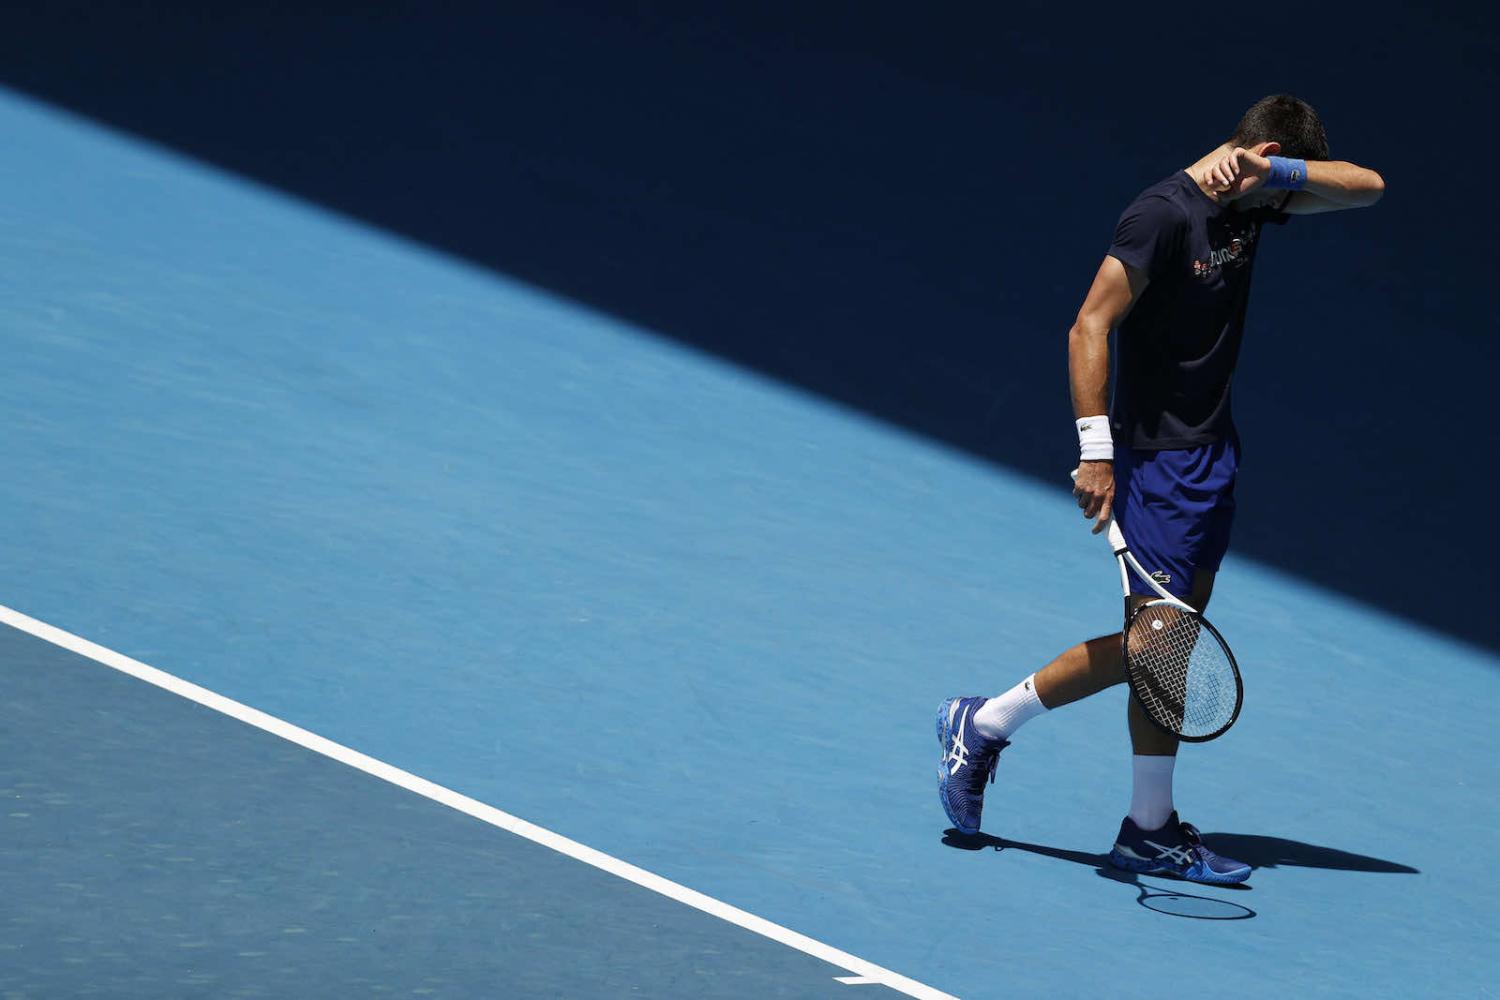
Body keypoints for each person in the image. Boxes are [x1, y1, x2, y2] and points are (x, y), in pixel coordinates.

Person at [937, 95, 1385, 884]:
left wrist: (1271, 174)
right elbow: (1088, 325)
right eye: (1282, 186)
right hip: (1155, 461)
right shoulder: (1161, 215)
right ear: (1264, 152)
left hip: (1214, 452)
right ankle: (987, 722)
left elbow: (1366, 185)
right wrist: (1095, 452)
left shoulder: (1254, 196)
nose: (1289, 206)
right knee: (1157, 646)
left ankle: (1147, 828)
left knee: (1168, 651)